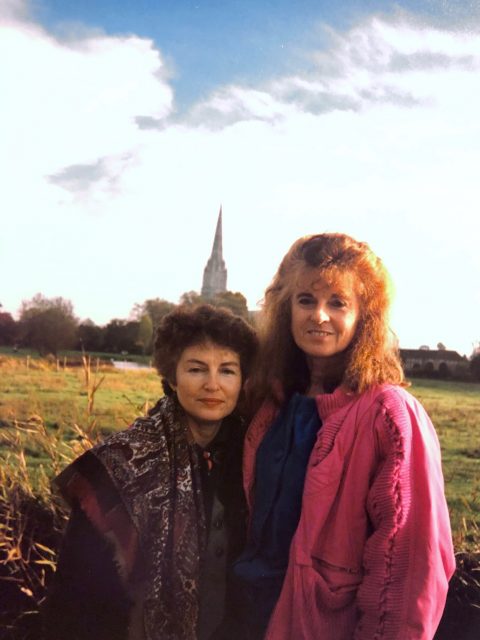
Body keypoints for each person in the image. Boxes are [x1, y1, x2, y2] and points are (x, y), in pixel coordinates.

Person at [234, 233, 455, 639]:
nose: (319, 315)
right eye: (306, 300)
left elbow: (413, 564)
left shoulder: (389, 414)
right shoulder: (270, 402)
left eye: (337, 302)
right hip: (249, 616)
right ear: (286, 308)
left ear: (363, 316)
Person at [43, 304, 258, 640]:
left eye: (227, 371)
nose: (213, 385)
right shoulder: (121, 463)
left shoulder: (252, 457)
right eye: (197, 369)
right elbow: (74, 594)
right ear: (172, 378)